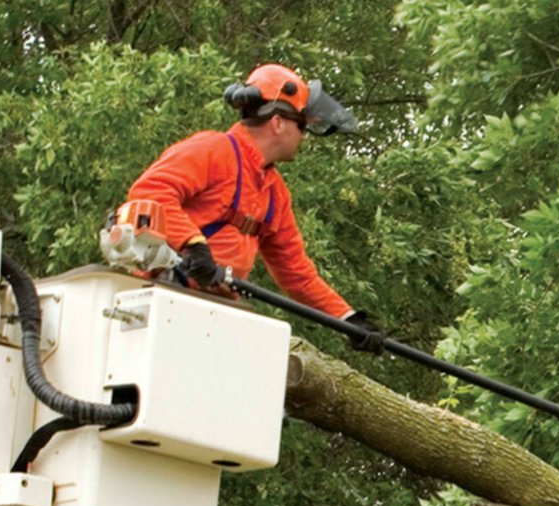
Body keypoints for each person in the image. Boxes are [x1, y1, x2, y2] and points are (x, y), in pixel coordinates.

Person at [123, 63, 386, 353]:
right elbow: (149, 192)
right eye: (301, 125)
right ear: (278, 123)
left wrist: (348, 319)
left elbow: (296, 271)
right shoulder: (214, 150)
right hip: (164, 298)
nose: (304, 135)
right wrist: (193, 244)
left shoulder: (275, 194)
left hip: (215, 313)